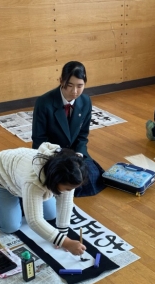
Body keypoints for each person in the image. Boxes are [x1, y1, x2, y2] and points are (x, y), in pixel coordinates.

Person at [0, 142, 87, 255]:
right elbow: (34, 221)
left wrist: (63, 233)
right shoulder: (32, 181)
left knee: (52, 214)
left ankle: (24, 197)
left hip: (21, 172)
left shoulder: (72, 171)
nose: (69, 191)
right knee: (10, 227)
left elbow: (66, 202)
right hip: (1, 174)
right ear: (55, 181)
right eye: (68, 189)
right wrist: (66, 242)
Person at [32, 61, 105, 197]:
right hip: (52, 154)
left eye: (80, 86)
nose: (75, 91)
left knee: (92, 177)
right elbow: (39, 139)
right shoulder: (44, 102)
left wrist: (79, 154)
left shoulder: (86, 101)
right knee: (55, 181)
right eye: (70, 85)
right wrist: (60, 157)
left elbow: (82, 136)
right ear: (61, 81)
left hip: (75, 154)